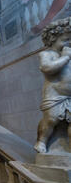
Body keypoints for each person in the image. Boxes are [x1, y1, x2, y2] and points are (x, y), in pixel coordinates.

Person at [35, 17, 71, 154]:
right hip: (54, 95)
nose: (69, 43)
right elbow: (47, 68)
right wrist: (65, 58)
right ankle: (41, 141)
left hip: (69, 96)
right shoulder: (47, 54)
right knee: (51, 119)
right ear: (52, 39)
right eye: (66, 40)